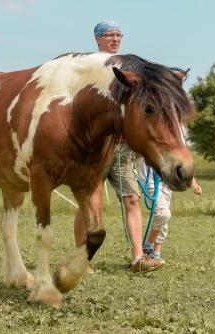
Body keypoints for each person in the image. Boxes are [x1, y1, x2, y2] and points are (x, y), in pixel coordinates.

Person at [73, 20, 164, 273]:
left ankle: (138, 258)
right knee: (88, 204)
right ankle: (82, 258)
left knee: (132, 199)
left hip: (122, 148)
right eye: (109, 35)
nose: (115, 39)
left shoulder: (128, 68)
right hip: (97, 149)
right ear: (97, 39)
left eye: (118, 35)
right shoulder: (89, 68)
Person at [140, 159, 202, 263]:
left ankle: (156, 254)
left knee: (163, 218)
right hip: (150, 181)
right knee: (163, 214)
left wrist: (194, 183)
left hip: (167, 185)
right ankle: (147, 247)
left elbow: (182, 164)